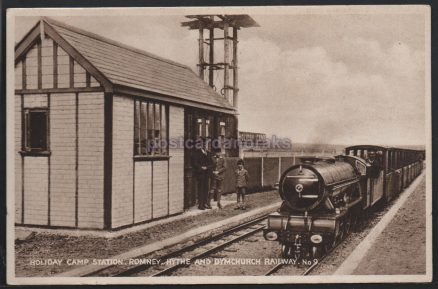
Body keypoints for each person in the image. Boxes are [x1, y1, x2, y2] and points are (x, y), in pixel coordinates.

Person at [192, 138, 212, 210]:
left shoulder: (208, 153)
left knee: (206, 189)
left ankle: (204, 203)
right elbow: (195, 163)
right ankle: (200, 205)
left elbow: (211, 164)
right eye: (202, 144)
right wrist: (201, 167)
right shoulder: (196, 153)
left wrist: (207, 167)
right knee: (201, 189)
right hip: (200, 174)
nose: (204, 145)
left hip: (206, 174)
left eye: (205, 144)